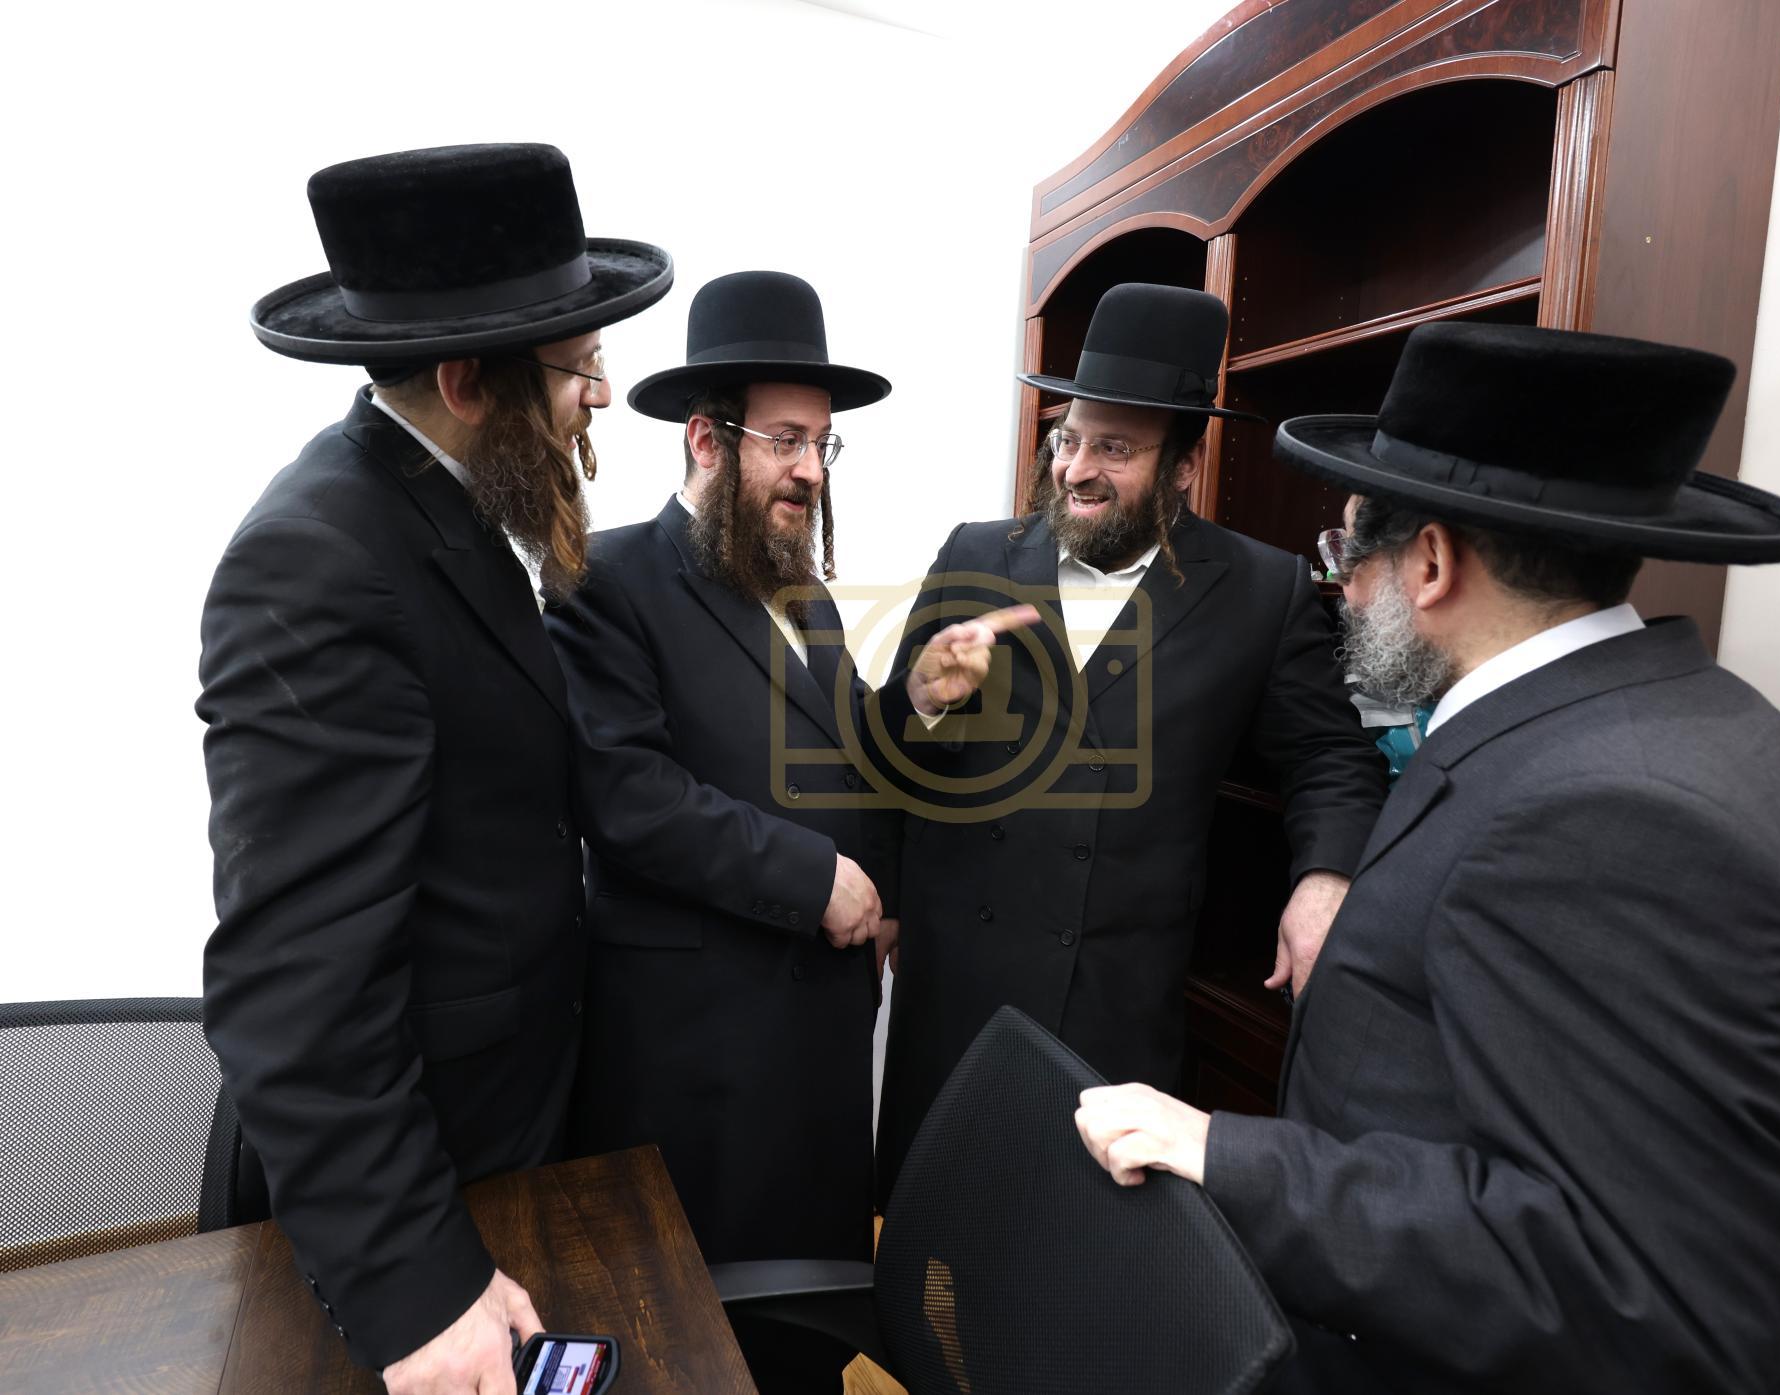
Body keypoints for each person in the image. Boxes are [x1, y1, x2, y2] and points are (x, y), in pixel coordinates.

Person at [1072, 322, 1780, 1395]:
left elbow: (1631, 1287)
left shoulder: (1616, 821)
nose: (1344, 592)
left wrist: (1223, 1153)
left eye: (1347, 555)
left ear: (1429, 562)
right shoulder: (1711, 737)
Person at [197, 143, 672, 1392]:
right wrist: (418, 1293)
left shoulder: (446, 501)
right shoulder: (318, 559)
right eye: (578, 369)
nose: (600, 396)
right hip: (416, 1192)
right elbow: (295, 985)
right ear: (467, 382)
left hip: (504, 1126)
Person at [544, 270, 1028, 1392]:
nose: (812, 469)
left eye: (823, 444)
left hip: (815, 1056)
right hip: (695, 1063)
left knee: (802, 1341)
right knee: (689, 1343)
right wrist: (818, 878)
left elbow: (844, 758)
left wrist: (919, 698)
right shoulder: (605, 578)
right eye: (787, 441)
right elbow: (631, 797)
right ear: (707, 441)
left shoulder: (804, 594)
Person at [876, 282, 1388, 1205]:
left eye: (1114, 448)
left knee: (1076, 1255)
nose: (1076, 468)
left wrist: (1326, 880)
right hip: (957, 981)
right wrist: (922, 696)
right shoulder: (975, 553)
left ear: (1185, 465)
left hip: (1112, 999)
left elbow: (1331, 758)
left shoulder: (1260, 590)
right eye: (1068, 439)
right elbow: (891, 752)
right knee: (934, 1241)